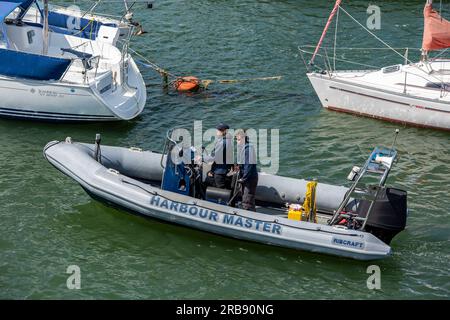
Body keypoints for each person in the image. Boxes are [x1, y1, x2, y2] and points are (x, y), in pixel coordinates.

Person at [202, 123, 234, 189]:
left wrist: (202, 158)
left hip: (220, 171)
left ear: (225, 131)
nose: (217, 131)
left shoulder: (222, 142)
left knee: (220, 190)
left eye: (220, 130)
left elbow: (214, 157)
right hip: (223, 169)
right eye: (218, 129)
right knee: (207, 181)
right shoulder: (228, 140)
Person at [235, 129, 258, 211]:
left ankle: (248, 214)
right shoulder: (244, 148)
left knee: (247, 200)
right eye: (236, 140)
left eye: (238, 140)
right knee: (248, 198)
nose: (237, 142)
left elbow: (248, 166)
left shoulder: (248, 149)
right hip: (247, 177)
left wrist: (243, 178)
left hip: (249, 179)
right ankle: (252, 213)